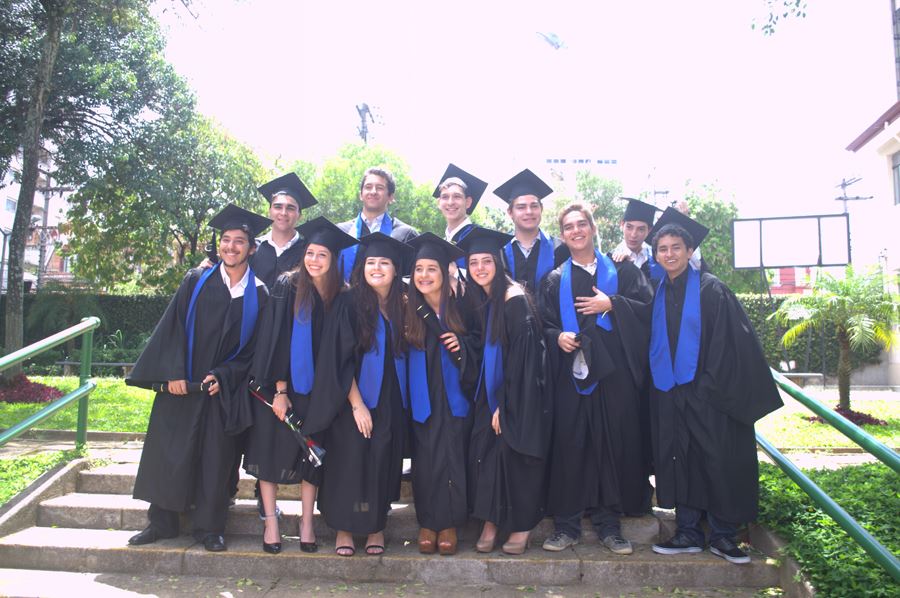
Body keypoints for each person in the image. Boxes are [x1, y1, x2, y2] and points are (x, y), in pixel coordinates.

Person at [127, 204, 271, 552]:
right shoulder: (196, 280)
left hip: (223, 391)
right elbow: (173, 326)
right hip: (183, 386)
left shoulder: (259, 293)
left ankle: (210, 528)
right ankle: (161, 523)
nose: (231, 247)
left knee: (217, 459)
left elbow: (255, 351)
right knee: (171, 451)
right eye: (226, 240)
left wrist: (225, 375)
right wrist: (174, 372)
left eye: (239, 241)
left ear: (252, 248)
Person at [646, 213, 782, 565]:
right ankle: (688, 532)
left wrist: (707, 386)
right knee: (682, 460)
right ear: (656, 254)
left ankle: (723, 535)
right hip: (672, 394)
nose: (669, 254)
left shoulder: (711, 289)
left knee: (717, 460)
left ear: (690, 250)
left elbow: (729, 343)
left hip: (709, 394)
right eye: (663, 249)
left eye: (676, 247)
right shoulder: (659, 292)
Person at [538, 203, 653, 556]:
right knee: (570, 444)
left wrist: (613, 304)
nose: (576, 231)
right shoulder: (554, 279)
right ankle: (567, 525)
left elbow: (648, 312)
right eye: (569, 226)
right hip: (570, 376)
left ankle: (610, 526)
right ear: (563, 235)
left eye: (581, 224)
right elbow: (541, 324)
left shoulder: (623, 272)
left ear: (592, 228)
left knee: (610, 445)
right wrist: (556, 336)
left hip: (613, 378)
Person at [243, 217, 356, 554]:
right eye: (310, 253)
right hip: (282, 388)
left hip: (319, 391)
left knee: (311, 456)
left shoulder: (342, 296)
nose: (314, 260)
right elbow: (275, 340)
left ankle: (307, 523)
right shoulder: (287, 285)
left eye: (322, 255)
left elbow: (343, 349)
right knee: (269, 452)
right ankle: (272, 523)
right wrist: (280, 391)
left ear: (333, 259)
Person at [303, 232, 412, 557]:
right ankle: (344, 529)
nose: (377, 268)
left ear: (395, 269)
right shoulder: (349, 303)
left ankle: (376, 526)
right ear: (362, 267)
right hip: (352, 397)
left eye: (384, 263)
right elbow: (338, 358)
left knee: (382, 459)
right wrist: (357, 404)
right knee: (349, 461)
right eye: (371, 262)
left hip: (391, 397)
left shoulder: (403, 303)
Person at [459, 226, 551, 555]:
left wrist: (504, 403)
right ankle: (491, 521)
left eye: (486, 261)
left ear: (498, 263)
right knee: (487, 455)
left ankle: (522, 526)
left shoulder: (514, 300)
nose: (480, 268)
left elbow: (524, 362)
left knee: (515, 456)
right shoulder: (486, 299)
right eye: (473, 262)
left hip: (520, 396)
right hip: (493, 392)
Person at [405, 233, 480, 556]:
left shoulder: (463, 307)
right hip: (421, 396)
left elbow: (481, 342)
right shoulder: (408, 310)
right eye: (419, 269)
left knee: (453, 456)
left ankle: (449, 524)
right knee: (425, 459)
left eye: (431, 269)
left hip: (455, 394)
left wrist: (462, 345)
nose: (424, 275)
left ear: (444, 271)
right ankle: (428, 522)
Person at [493, 169, 568, 294]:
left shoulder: (560, 249)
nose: (529, 211)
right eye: (521, 207)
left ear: (541, 209)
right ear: (510, 212)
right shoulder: (499, 251)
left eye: (534, 206)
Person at [337, 167, 418, 281]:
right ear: (361, 194)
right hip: (345, 292)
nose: (373, 191)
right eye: (368, 187)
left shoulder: (406, 235)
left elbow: (411, 279)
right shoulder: (341, 231)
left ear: (391, 197)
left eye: (380, 188)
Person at [252, 172, 318, 288]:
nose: (283, 213)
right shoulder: (253, 248)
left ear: (299, 215)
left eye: (290, 208)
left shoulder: (308, 253)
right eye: (278, 207)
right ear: (269, 211)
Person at [432, 163, 488, 268]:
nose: (450, 202)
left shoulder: (480, 237)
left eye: (457, 196)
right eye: (445, 197)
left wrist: (456, 273)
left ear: (468, 202)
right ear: (439, 203)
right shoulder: (442, 242)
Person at [610, 198, 665, 287]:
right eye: (629, 227)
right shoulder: (609, 261)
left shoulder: (657, 260)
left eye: (641, 229)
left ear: (649, 230)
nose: (633, 234)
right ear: (622, 224)